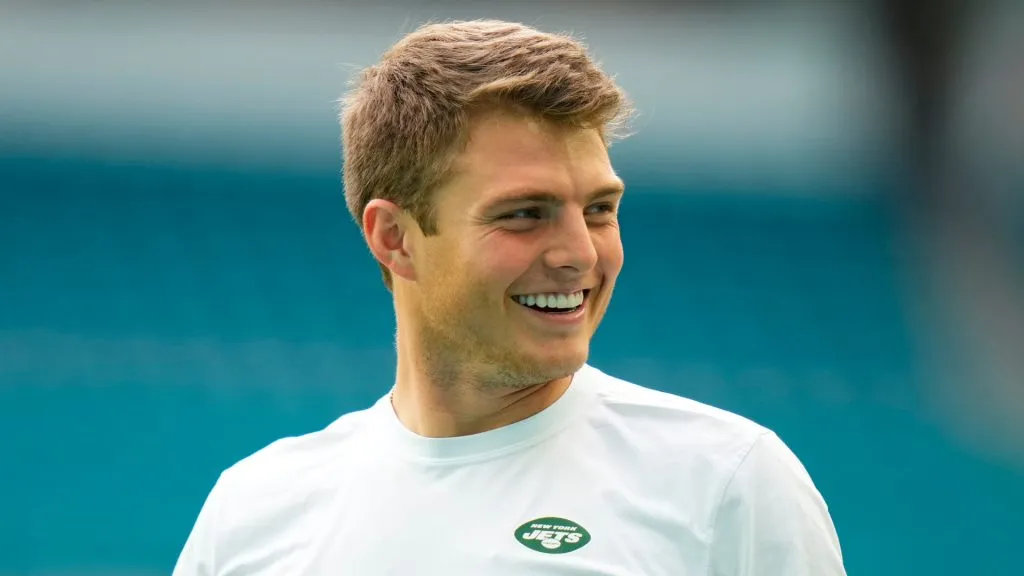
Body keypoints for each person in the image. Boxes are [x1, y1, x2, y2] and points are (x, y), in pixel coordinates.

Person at [172, 19, 846, 575]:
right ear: (395, 237)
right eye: (526, 213)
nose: (580, 252)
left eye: (601, 209)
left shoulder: (727, 485)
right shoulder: (252, 513)